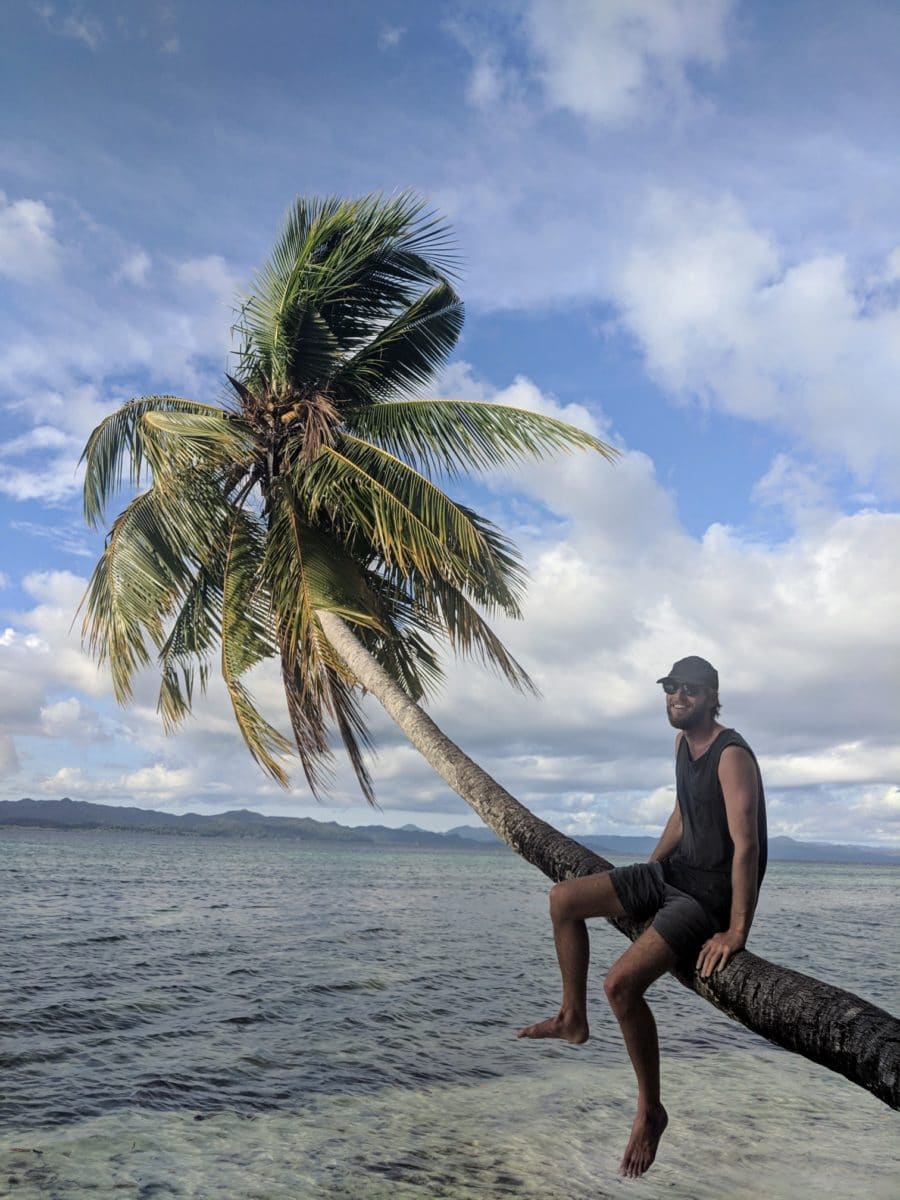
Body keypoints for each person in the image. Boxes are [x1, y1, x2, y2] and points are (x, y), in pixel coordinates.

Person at [517, 655, 767, 1178]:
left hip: (706, 898)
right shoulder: (682, 743)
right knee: (563, 900)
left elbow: (747, 847)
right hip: (671, 876)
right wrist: (649, 873)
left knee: (621, 986)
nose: (678, 697)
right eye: (671, 688)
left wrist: (737, 929)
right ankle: (571, 1017)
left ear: (713, 697)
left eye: (690, 690)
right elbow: (683, 813)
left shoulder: (731, 754)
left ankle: (650, 1109)